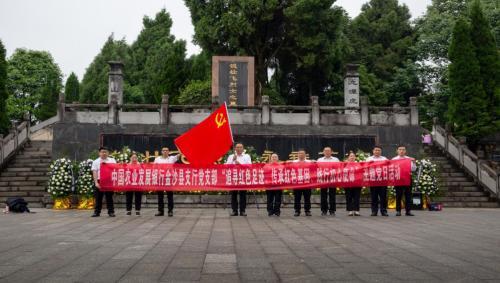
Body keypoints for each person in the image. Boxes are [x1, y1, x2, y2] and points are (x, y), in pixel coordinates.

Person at [225, 143, 252, 216]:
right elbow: (227, 166)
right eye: (237, 147)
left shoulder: (247, 156)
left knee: (243, 194)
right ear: (235, 149)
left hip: (243, 178)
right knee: (234, 194)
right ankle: (234, 211)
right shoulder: (231, 156)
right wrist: (232, 160)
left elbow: (249, 166)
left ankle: (242, 211)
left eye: (240, 147)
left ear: (243, 148)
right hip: (234, 178)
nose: (239, 149)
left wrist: (239, 164)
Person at [154, 147, 180, 217]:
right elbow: (154, 168)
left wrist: (180, 148)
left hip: (169, 179)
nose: (165, 151)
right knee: (160, 196)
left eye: (166, 150)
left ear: (169, 152)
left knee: (170, 196)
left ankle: (170, 211)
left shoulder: (172, 158)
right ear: (161, 152)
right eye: (163, 150)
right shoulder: (157, 159)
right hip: (160, 179)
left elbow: (179, 154)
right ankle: (160, 211)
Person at [91, 147, 116, 217]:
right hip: (99, 180)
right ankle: (97, 212)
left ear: (108, 153)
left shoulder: (112, 160)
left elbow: (115, 170)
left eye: (105, 152)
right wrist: (96, 182)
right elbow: (94, 172)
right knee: (98, 197)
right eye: (102, 152)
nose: (104, 153)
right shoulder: (96, 161)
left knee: (109, 197)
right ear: (99, 153)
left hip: (109, 181)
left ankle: (111, 212)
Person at [392, 145, 417, 216]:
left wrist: (414, 162)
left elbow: (413, 169)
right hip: (398, 179)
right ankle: (398, 211)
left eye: (403, 149)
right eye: (400, 149)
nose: (401, 151)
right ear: (397, 151)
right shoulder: (394, 159)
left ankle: (408, 211)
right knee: (398, 195)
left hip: (407, 179)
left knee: (408, 195)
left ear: (405, 151)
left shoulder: (409, 159)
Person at [366, 145, 389, 217]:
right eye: (376, 150)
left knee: (383, 197)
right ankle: (374, 211)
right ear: (373, 151)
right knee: (374, 197)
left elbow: (389, 167)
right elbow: (365, 168)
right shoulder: (369, 159)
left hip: (382, 180)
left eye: (379, 150)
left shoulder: (385, 159)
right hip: (373, 180)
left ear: (381, 151)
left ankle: (383, 211)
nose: (377, 151)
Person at [317, 147, 339, 216]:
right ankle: (324, 210)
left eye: (328, 151)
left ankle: (332, 210)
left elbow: (339, 168)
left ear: (331, 152)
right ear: (323, 152)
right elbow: (316, 169)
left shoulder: (335, 160)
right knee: (323, 195)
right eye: (325, 151)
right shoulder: (320, 160)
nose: (327, 152)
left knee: (332, 195)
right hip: (323, 180)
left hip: (333, 179)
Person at [292, 149, 313, 217]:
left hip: (307, 182)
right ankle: (297, 211)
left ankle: (307, 211)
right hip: (297, 183)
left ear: (305, 154)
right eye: (300, 153)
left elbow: (313, 170)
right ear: (297, 154)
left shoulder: (310, 162)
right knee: (297, 198)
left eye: (302, 153)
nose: (301, 154)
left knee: (307, 197)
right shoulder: (293, 162)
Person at [345, 151, 362, 216]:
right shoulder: (345, 164)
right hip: (347, 183)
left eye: (353, 156)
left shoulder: (359, 164)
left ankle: (356, 210)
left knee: (356, 197)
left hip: (357, 183)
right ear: (348, 157)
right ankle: (350, 210)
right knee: (348, 196)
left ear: (355, 157)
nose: (352, 157)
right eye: (351, 156)